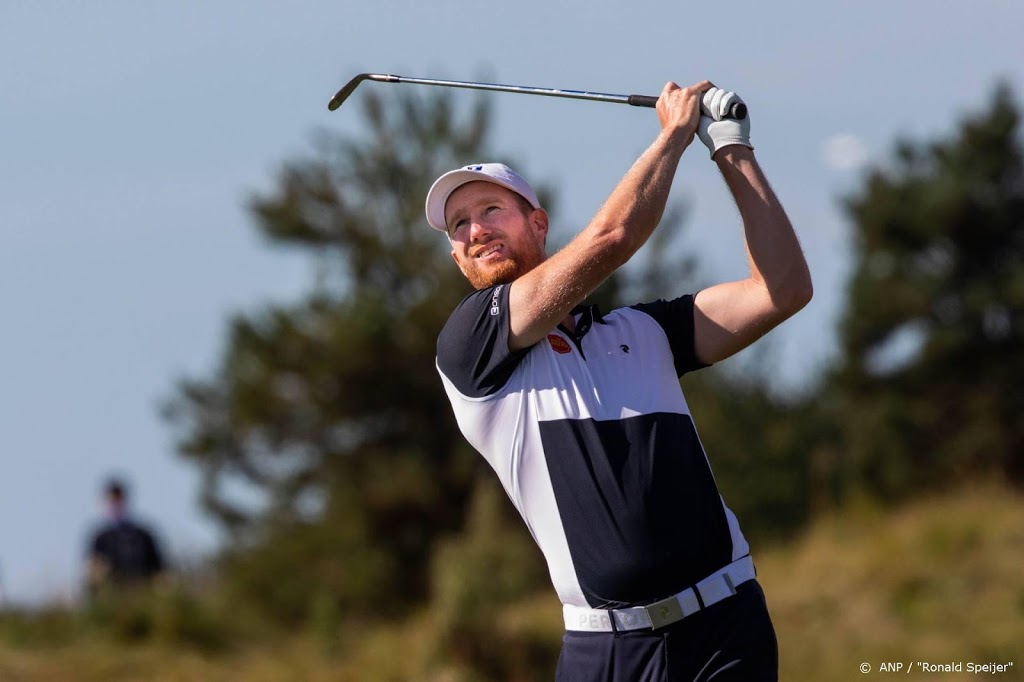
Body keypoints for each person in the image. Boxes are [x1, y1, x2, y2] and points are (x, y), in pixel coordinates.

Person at [426, 80, 812, 681]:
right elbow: (612, 239)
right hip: (605, 655)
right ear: (456, 257)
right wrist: (672, 136)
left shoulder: (645, 331)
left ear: (538, 223)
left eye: (490, 210)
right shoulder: (471, 348)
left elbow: (782, 290)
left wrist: (730, 147)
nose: (475, 230)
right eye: (458, 225)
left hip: (725, 629)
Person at [85, 477, 166, 592]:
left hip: (142, 593)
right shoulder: (101, 539)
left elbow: (159, 571)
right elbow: (92, 575)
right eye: (111, 502)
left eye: (117, 501)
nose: (114, 506)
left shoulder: (142, 536)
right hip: (113, 596)